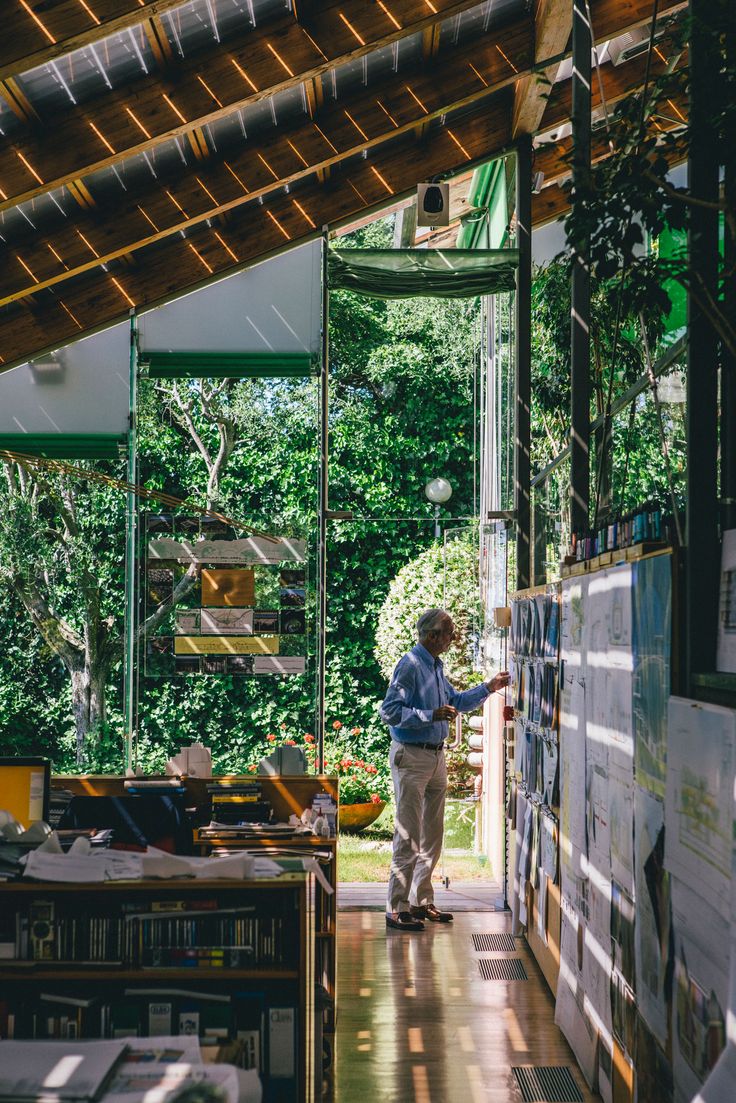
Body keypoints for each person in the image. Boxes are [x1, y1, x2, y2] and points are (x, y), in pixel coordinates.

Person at [379, 608, 509, 931]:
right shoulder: (409, 666)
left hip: (436, 758)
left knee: (433, 834)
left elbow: (457, 701)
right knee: (409, 833)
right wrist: (430, 716)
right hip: (411, 756)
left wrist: (489, 688)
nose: (454, 639)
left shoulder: (436, 667)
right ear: (432, 636)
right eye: (450, 633)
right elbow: (390, 712)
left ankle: (422, 901)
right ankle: (396, 907)